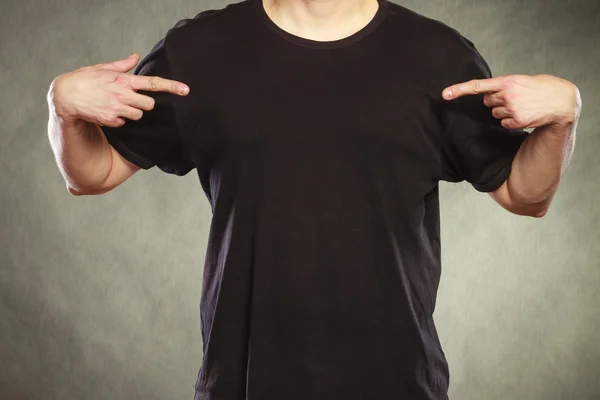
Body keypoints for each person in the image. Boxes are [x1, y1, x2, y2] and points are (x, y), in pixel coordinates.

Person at [46, 0, 581, 398]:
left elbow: (523, 194)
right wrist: (62, 111)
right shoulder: (201, 50)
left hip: (396, 380)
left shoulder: (437, 56)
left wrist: (563, 119)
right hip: (245, 380)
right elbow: (94, 173)